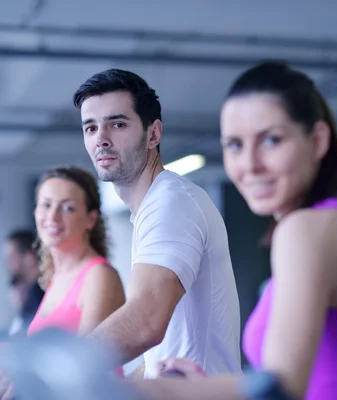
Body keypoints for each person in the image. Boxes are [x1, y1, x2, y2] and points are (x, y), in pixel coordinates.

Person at [135, 61, 337, 399]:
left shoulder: (307, 229)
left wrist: (138, 390)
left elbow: (278, 388)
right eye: (234, 145)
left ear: (317, 140)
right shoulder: (330, 225)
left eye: (271, 140)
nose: (250, 165)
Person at [74, 69, 242, 380]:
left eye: (117, 124)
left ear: (153, 134)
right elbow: (156, 358)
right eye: (91, 128)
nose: (101, 139)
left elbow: (145, 322)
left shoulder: (171, 202)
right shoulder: (152, 208)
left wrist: (56, 369)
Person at [0, 166, 126, 400]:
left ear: (90, 219)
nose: (52, 217)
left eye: (67, 208)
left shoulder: (98, 276)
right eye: (46, 205)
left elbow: (80, 366)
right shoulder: (56, 278)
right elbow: (44, 355)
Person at [2, 229, 45, 336]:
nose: (6, 264)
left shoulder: (41, 292)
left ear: (29, 257)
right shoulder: (26, 292)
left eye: (11, 257)